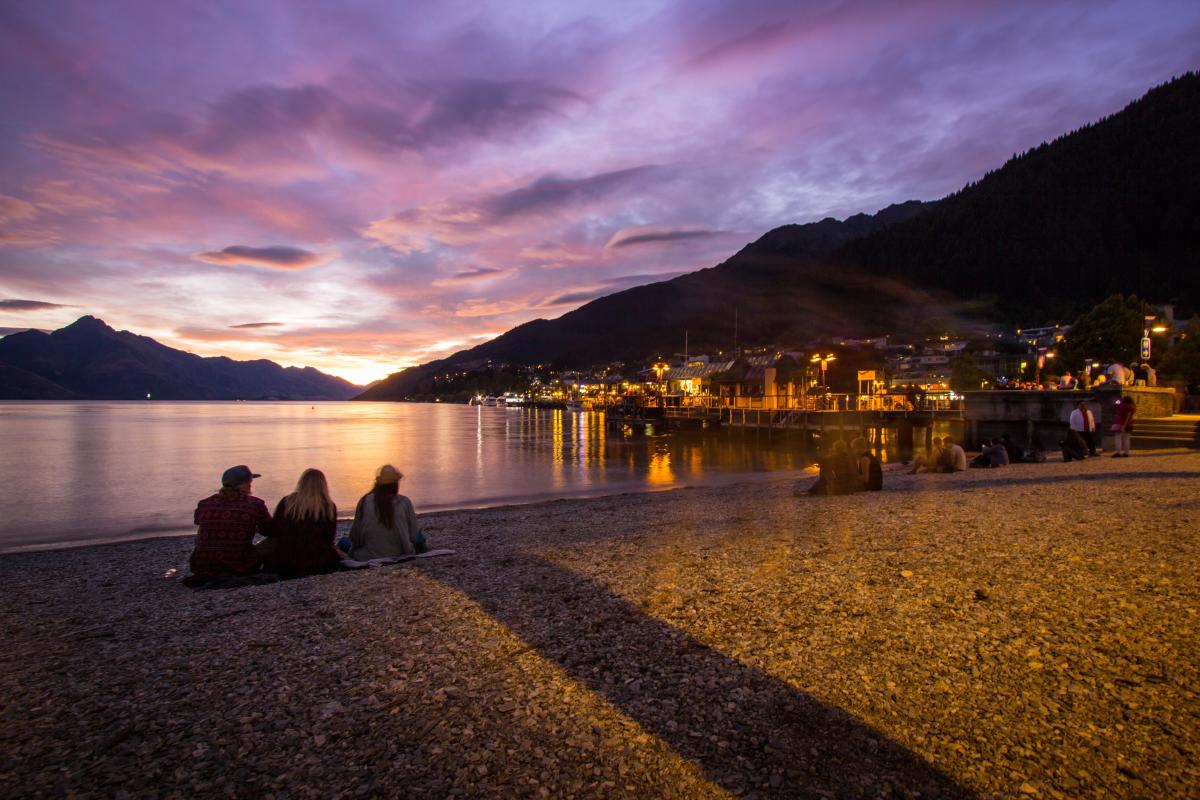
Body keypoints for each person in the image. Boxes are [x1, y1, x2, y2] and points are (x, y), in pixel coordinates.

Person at [188, 465, 272, 579]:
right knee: (275, 540)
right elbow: (270, 531)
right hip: (240, 566)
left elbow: (198, 521)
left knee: (203, 530)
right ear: (246, 484)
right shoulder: (255, 504)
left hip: (201, 567)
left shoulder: (204, 504)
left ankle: (209, 559)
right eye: (250, 481)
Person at [262, 468, 342, 578]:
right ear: (323, 485)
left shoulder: (288, 502)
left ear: (301, 482)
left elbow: (274, 530)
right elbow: (329, 538)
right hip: (319, 563)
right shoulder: (328, 506)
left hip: (286, 562)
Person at [341, 464, 426, 559]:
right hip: (400, 553)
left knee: (343, 542)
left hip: (367, 555)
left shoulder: (365, 501)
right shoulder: (404, 502)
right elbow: (413, 537)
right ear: (396, 484)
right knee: (420, 537)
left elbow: (355, 538)